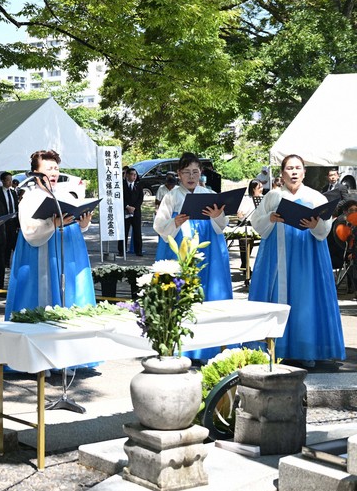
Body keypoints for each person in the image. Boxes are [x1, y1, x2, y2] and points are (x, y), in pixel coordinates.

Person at [249, 154, 345, 367]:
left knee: (304, 301)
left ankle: (304, 349)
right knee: (275, 299)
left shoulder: (315, 197)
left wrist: (315, 225)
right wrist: (270, 218)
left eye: (297, 168)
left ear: (304, 172)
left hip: (307, 256)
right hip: (276, 256)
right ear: (282, 173)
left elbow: (324, 228)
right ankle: (275, 349)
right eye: (289, 168)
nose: (293, 172)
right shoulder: (272, 196)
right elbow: (257, 223)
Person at [153, 152, 233, 361]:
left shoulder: (208, 194)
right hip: (178, 248)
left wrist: (217, 216)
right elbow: (159, 226)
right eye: (186, 172)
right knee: (180, 293)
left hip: (209, 250)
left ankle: (210, 348)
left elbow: (221, 226)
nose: (191, 176)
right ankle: (181, 346)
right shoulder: (171, 197)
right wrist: (175, 222)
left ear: (201, 173)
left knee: (208, 293)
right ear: (179, 174)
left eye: (195, 172)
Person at [5, 149, 96, 319]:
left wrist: (84, 223)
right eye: (48, 169)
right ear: (36, 173)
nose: (54, 173)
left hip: (69, 255)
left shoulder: (67, 195)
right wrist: (51, 224)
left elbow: (76, 224)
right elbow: (29, 231)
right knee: (44, 298)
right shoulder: (30, 198)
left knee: (70, 294)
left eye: (56, 168)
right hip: (41, 257)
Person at [118, 167, 143, 256]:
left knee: (137, 231)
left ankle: (138, 250)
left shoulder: (138, 185)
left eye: (135, 175)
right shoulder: (121, 185)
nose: (134, 176)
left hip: (136, 212)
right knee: (124, 231)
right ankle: (121, 250)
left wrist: (134, 208)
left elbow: (140, 199)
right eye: (132, 174)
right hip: (125, 211)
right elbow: (119, 198)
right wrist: (127, 206)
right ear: (127, 175)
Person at [0, 171, 19, 267]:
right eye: (8, 180)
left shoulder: (13, 192)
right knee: (5, 243)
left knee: (14, 242)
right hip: (4, 221)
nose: (10, 182)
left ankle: (14, 262)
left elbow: (16, 206)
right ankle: (6, 262)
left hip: (14, 221)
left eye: (11, 180)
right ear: (2, 181)